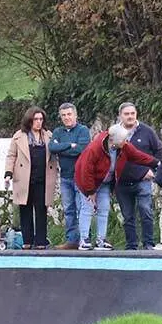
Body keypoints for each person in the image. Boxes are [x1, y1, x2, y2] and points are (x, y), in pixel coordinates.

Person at [75, 123, 160, 251]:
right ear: (113, 140)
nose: (126, 142)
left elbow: (137, 155)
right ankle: (84, 240)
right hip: (87, 181)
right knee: (87, 208)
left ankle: (101, 240)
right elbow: (86, 170)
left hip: (105, 182)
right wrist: (90, 191)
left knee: (104, 209)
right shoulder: (95, 148)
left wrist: (156, 162)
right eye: (123, 140)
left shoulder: (123, 146)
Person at [5, 106, 59, 250]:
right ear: (29, 120)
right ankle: (27, 241)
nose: (38, 122)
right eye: (35, 119)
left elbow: (56, 153)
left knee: (41, 210)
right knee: (25, 210)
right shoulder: (19, 136)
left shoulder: (49, 135)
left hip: (43, 178)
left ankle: (41, 241)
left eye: (41, 119)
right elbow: (11, 156)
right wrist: (8, 173)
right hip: (24, 179)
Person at [115, 102, 162, 250]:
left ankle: (148, 243)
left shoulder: (147, 131)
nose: (130, 116)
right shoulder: (114, 134)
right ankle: (131, 245)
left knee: (146, 211)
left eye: (132, 113)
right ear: (120, 116)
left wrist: (153, 171)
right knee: (127, 216)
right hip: (122, 182)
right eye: (126, 114)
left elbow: (160, 151)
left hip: (143, 181)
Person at [49, 103, 92, 250]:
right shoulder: (58, 131)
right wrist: (70, 145)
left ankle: (84, 239)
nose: (67, 117)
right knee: (68, 210)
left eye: (69, 114)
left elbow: (82, 149)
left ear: (75, 115)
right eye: (63, 115)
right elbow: (52, 148)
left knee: (82, 209)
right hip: (65, 177)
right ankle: (71, 240)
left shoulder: (83, 130)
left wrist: (63, 147)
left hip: (80, 177)